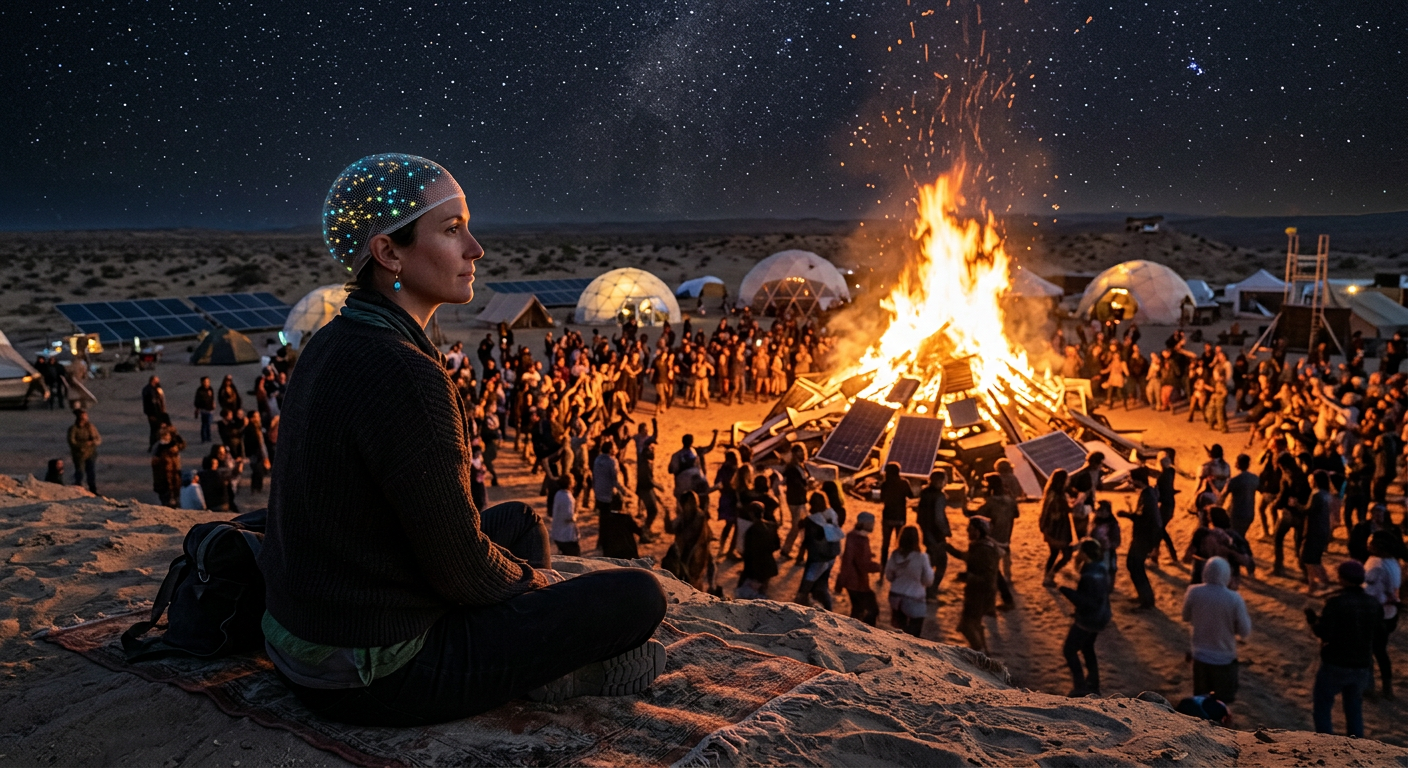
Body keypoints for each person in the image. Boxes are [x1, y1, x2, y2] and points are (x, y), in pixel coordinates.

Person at [260, 154, 666, 725]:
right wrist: (535, 584)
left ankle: (522, 658)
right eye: (452, 230)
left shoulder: (332, 341)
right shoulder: (404, 372)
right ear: (389, 253)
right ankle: (542, 672)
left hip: (309, 627)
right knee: (640, 597)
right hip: (372, 668)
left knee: (519, 522)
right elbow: (463, 571)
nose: (475, 248)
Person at [1307, 560, 1382, 737]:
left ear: (1343, 579)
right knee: (1354, 709)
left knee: (1323, 707)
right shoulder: (1373, 603)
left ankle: (1326, 744)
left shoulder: (1336, 602)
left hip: (1335, 663)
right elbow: (1380, 634)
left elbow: (1324, 633)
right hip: (1361, 664)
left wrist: (1313, 620)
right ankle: (1355, 745)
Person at [1181, 556, 1252, 703]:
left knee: (1201, 702)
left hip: (1200, 657)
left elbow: (1185, 616)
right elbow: (1245, 631)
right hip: (1224, 660)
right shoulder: (1234, 598)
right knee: (1223, 702)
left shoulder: (1193, 592)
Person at [1059, 538, 1112, 697]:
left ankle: (1080, 686)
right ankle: (1093, 684)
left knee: (1069, 650)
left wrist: (1065, 590)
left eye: (1080, 551)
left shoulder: (1088, 575)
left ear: (1085, 553)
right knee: (1088, 647)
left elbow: (1085, 601)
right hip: (1101, 615)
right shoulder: (1100, 567)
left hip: (1089, 619)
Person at [948, 516, 1002, 653]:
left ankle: (979, 652)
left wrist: (968, 577)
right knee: (975, 623)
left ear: (979, 531)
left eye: (971, 529)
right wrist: (950, 549)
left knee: (966, 626)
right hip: (981, 592)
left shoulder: (983, 549)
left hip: (979, 593)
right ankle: (984, 652)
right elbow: (969, 558)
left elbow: (986, 576)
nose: (968, 531)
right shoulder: (984, 545)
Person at [1364, 532, 1401, 699]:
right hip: (1389, 614)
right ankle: (1387, 687)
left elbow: (1370, 592)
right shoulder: (1393, 562)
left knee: (1368, 650)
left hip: (1377, 615)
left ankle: (1369, 687)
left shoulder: (1377, 566)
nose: (1368, 544)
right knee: (1380, 651)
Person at [1118, 468, 1159, 610]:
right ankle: (1144, 596)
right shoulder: (1148, 493)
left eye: (1131, 478)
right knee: (1134, 565)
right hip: (1143, 537)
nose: (1130, 481)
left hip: (1143, 538)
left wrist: (1126, 515)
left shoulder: (1147, 496)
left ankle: (1147, 600)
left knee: (1135, 566)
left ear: (1138, 480)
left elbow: (1143, 518)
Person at [794, 492, 841, 610]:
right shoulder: (832, 514)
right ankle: (828, 610)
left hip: (817, 558)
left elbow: (807, 540)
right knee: (822, 585)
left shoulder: (812, 521)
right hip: (830, 557)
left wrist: (800, 555)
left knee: (805, 589)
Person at [884, 525, 933, 637]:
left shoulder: (895, 555)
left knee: (901, 630)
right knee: (914, 633)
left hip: (895, 597)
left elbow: (889, 576)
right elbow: (928, 580)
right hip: (914, 599)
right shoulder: (922, 557)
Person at [834, 511, 881, 626]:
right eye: (871, 523)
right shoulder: (861, 540)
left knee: (857, 610)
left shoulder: (852, 536)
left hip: (850, 581)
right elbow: (862, 564)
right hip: (858, 582)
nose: (873, 526)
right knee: (871, 609)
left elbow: (852, 557)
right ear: (864, 524)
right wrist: (879, 567)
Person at [664, 490, 713, 591]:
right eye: (689, 502)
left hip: (696, 555)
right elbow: (670, 529)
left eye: (693, 501)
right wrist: (666, 516)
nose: (693, 504)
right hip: (684, 555)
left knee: (694, 584)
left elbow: (693, 535)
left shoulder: (699, 517)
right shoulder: (683, 516)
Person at [917, 470, 953, 597]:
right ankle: (931, 589)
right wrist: (946, 530)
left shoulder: (924, 493)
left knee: (930, 561)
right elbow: (939, 517)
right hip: (936, 534)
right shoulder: (939, 496)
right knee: (942, 562)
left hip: (925, 531)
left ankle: (924, 586)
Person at [737, 500, 781, 599]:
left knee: (748, 595)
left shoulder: (751, 530)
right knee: (763, 592)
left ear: (751, 514)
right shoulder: (772, 526)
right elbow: (777, 545)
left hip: (755, 567)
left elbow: (748, 552)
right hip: (768, 564)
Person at [1039, 469, 1076, 586]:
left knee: (1054, 554)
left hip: (1051, 529)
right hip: (1058, 530)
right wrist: (1076, 504)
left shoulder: (1050, 493)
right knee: (1066, 555)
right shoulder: (1058, 496)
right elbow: (1062, 509)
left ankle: (1048, 576)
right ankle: (1050, 575)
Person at [1300, 470, 1334, 592]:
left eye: (1312, 480)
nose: (1310, 482)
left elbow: (1308, 511)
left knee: (1308, 559)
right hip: (1323, 529)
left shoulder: (1316, 494)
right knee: (1315, 558)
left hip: (1314, 530)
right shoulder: (1326, 494)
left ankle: (1318, 583)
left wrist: (1296, 505)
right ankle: (1317, 583)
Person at [780, 445, 814, 561]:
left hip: (800, 499)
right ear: (794, 454)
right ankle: (786, 550)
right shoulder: (792, 468)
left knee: (800, 527)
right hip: (795, 500)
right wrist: (807, 484)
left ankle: (790, 550)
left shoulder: (801, 466)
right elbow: (796, 484)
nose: (802, 454)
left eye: (802, 451)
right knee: (796, 527)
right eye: (799, 452)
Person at [1221, 454, 1259, 537]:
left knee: (1232, 536)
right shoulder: (1255, 478)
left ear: (1237, 464)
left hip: (1236, 514)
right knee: (1241, 535)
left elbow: (1222, 496)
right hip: (1249, 513)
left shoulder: (1233, 480)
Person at [149, 423, 186, 507]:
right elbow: (155, 464)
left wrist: (175, 433)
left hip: (175, 473)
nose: (165, 437)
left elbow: (182, 444)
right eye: (163, 435)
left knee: (175, 496)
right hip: (163, 477)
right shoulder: (158, 447)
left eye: (167, 435)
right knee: (166, 498)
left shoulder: (173, 444)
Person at [66, 409, 101, 494]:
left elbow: (98, 439)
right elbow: (72, 441)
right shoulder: (74, 429)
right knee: (80, 472)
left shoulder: (90, 427)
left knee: (91, 472)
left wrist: (92, 442)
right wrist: (83, 445)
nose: (85, 417)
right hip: (79, 454)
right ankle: (78, 489)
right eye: (83, 416)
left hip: (90, 453)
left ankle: (93, 489)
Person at [141, 375, 168, 449]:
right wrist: (151, 414)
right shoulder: (149, 390)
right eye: (157, 380)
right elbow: (151, 403)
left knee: (157, 429)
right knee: (155, 429)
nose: (159, 381)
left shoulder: (155, 389)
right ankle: (154, 445)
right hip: (154, 413)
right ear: (153, 381)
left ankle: (155, 445)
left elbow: (161, 400)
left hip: (156, 412)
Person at [194, 376, 216, 443]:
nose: (207, 383)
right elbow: (197, 400)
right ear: (202, 382)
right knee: (205, 424)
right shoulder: (200, 390)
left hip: (210, 409)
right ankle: (204, 438)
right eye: (205, 382)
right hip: (204, 409)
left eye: (208, 382)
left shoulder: (210, 388)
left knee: (208, 424)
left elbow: (212, 397)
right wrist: (197, 408)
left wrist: (213, 403)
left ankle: (208, 437)